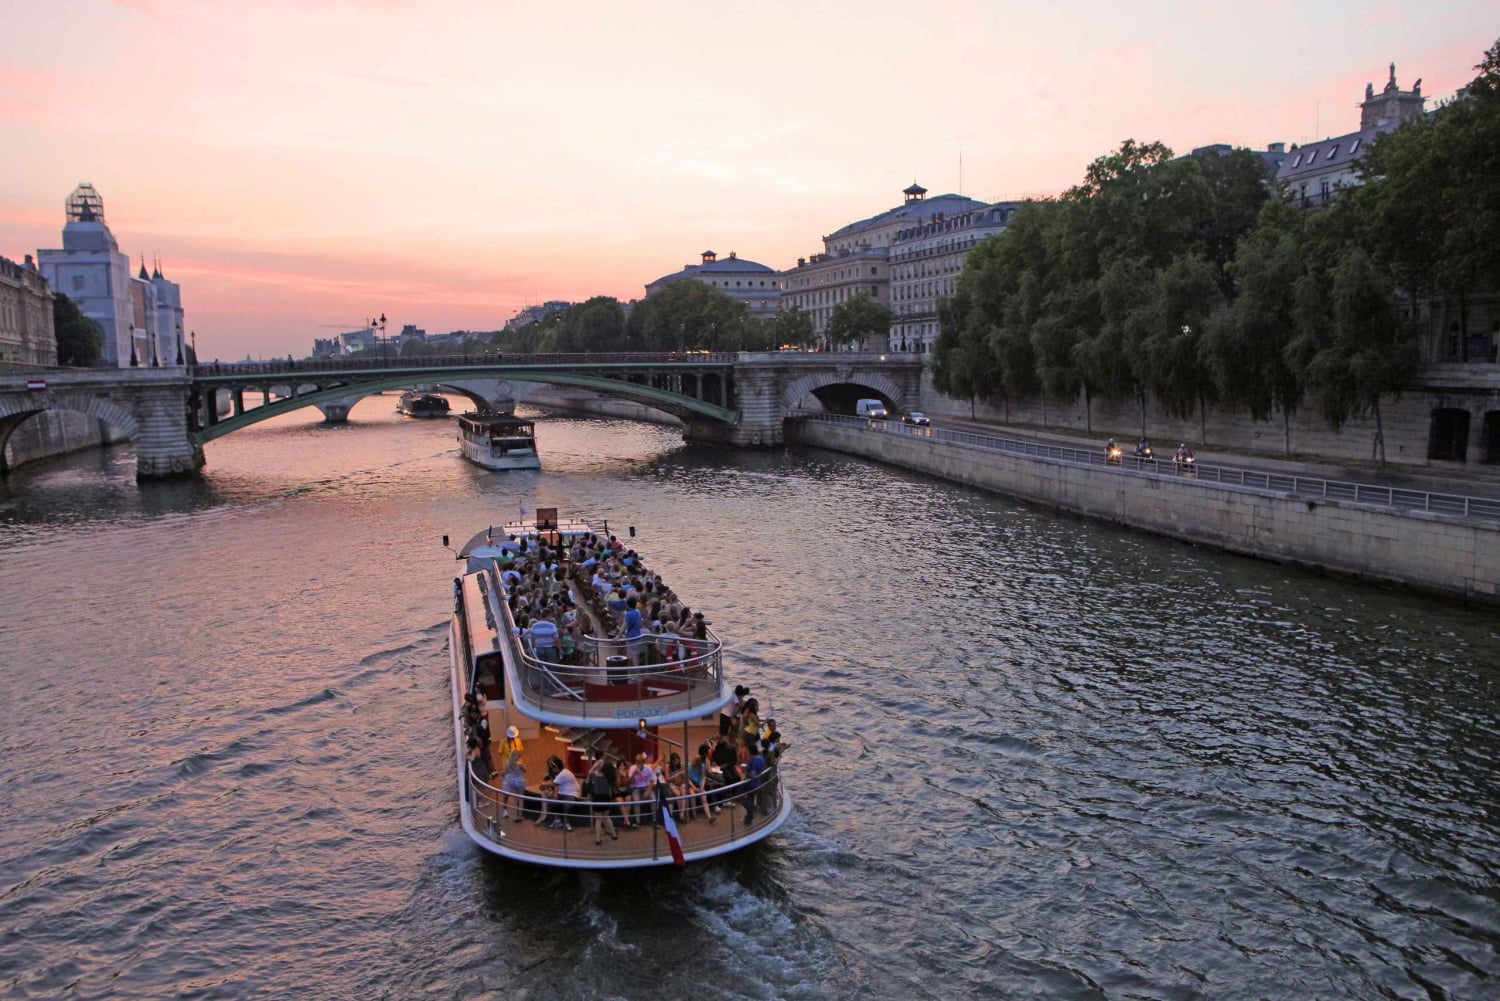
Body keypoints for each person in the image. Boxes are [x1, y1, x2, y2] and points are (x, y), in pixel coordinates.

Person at [587, 754, 618, 845]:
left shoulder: (594, 775)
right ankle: (614, 834)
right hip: (606, 797)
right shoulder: (609, 777)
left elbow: (589, 774)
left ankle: (598, 839)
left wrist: (595, 765)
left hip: (597, 797)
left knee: (598, 819)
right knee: (606, 817)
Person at [500, 748, 527, 822]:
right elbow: (525, 770)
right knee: (520, 798)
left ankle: (515, 815)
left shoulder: (508, 762)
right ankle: (520, 816)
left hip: (512, 781)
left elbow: (506, 771)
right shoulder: (520, 763)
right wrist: (522, 763)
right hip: (520, 781)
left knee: (515, 799)